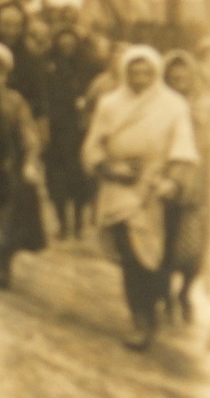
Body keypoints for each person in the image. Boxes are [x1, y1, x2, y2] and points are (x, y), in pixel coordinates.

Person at [83, 46, 199, 350]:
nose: (140, 78)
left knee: (153, 258)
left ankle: (151, 310)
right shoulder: (110, 103)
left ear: (156, 73)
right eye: (134, 72)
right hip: (118, 188)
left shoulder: (173, 105)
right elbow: (93, 146)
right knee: (130, 258)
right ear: (124, 72)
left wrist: (172, 181)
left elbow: (184, 146)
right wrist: (110, 167)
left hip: (155, 189)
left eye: (146, 73)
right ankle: (140, 319)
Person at [0, 42, 47, 291]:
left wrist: (30, 162)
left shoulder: (14, 101)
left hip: (4, 167)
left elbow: (29, 136)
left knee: (5, 219)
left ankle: (1, 264)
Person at [163, 50, 209, 323]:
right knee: (165, 242)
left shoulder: (206, 105)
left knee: (193, 247)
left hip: (199, 185)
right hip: (166, 181)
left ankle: (185, 292)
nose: (179, 81)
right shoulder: (160, 104)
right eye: (173, 77)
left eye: (184, 76)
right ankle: (165, 293)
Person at [44, 25, 94, 239]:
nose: (66, 46)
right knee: (56, 181)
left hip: (79, 131)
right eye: (62, 42)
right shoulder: (48, 65)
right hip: (55, 131)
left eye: (71, 43)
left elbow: (92, 96)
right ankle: (62, 223)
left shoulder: (86, 67)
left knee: (79, 178)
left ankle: (79, 223)